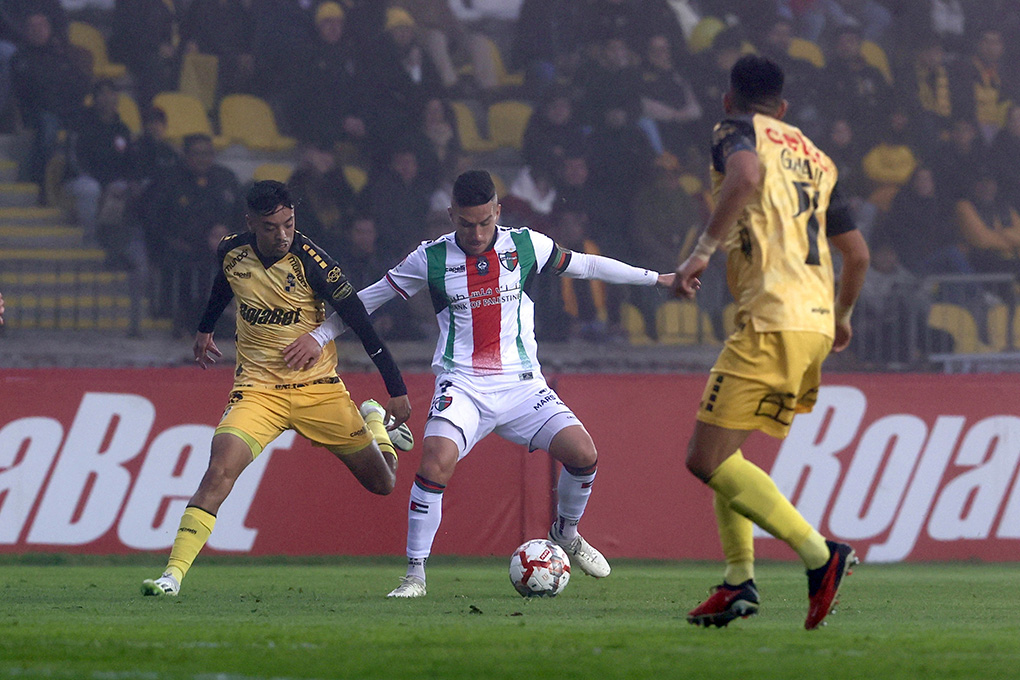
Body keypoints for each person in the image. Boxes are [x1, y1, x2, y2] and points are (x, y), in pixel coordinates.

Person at [284, 170, 675, 598]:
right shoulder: (430, 258)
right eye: (466, 224)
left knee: (585, 454)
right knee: (433, 465)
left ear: (498, 212)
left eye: (484, 222)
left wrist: (657, 279)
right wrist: (318, 335)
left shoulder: (525, 244)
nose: (475, 233)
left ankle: (566, 533)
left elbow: (586, 265)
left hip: (524, 387)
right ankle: (415, 576)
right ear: (452, 214)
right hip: (464, 385)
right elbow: (370, 299)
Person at [672, 55, 870, 630]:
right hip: (814, 323)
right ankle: (739, 582)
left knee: (702, 459)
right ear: (783, 109)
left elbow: (747, 177)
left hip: (771, 318)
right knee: (723, 457)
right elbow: (856, 254)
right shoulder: (820, 159)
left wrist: (701, 254)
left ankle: (819, 554)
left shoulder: (735, 132)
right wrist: (844, 315)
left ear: (730, 99)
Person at [141, 180, 413, 597]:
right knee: (219, 469)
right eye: (271, 227)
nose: (282, 234)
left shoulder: (315, 263)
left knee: (384, 483)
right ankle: (172, 576)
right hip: (258, 389)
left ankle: (374, 421)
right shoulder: (232, 251)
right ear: (251, 224)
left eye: (288, 223)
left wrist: (395, 388)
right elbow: (223, 285)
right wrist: (205, 328)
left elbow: (360, 320)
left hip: (318, 388)